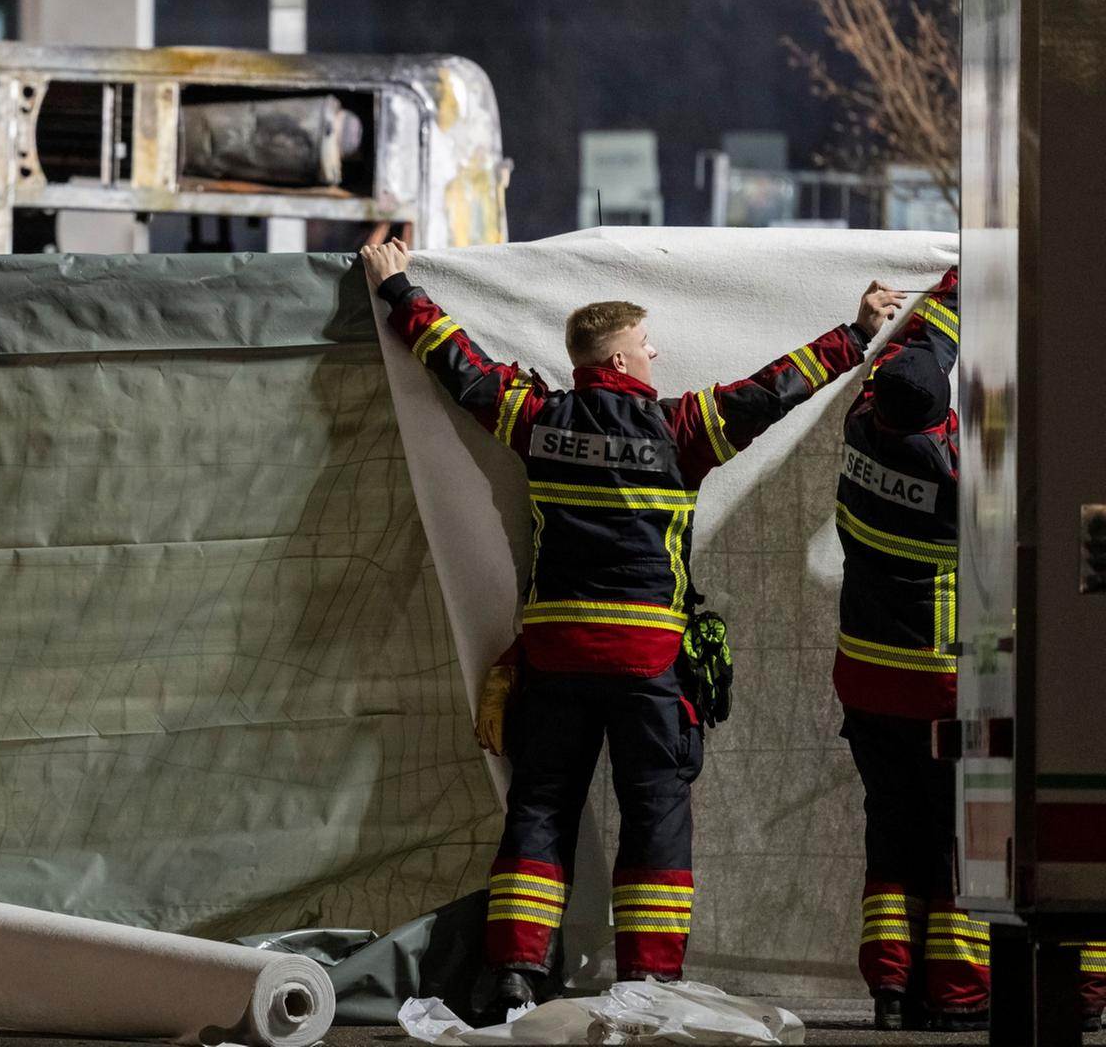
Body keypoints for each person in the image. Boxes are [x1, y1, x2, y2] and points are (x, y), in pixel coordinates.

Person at [357, 236, 905, 1014]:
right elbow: (774, 390)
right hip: (648, 660)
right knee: (655, 815)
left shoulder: (534, 416)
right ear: (615, 362)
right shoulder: (681, 430)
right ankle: (648, 980)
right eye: (645, 345)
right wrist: (855, 335)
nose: (657, 353)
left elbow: (459, 366)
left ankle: (514, 969)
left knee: (540, 807)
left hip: (555, 655)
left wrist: (399, 288)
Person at [830, 270, 1106, 1032]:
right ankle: (956, 994)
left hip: (867, 682)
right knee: (966, 838)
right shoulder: (967, 486)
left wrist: (947, 297)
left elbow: (915, 355)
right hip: (946, 688)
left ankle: (890, 990)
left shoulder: (859, 430)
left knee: (891, 835)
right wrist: (977, 268)